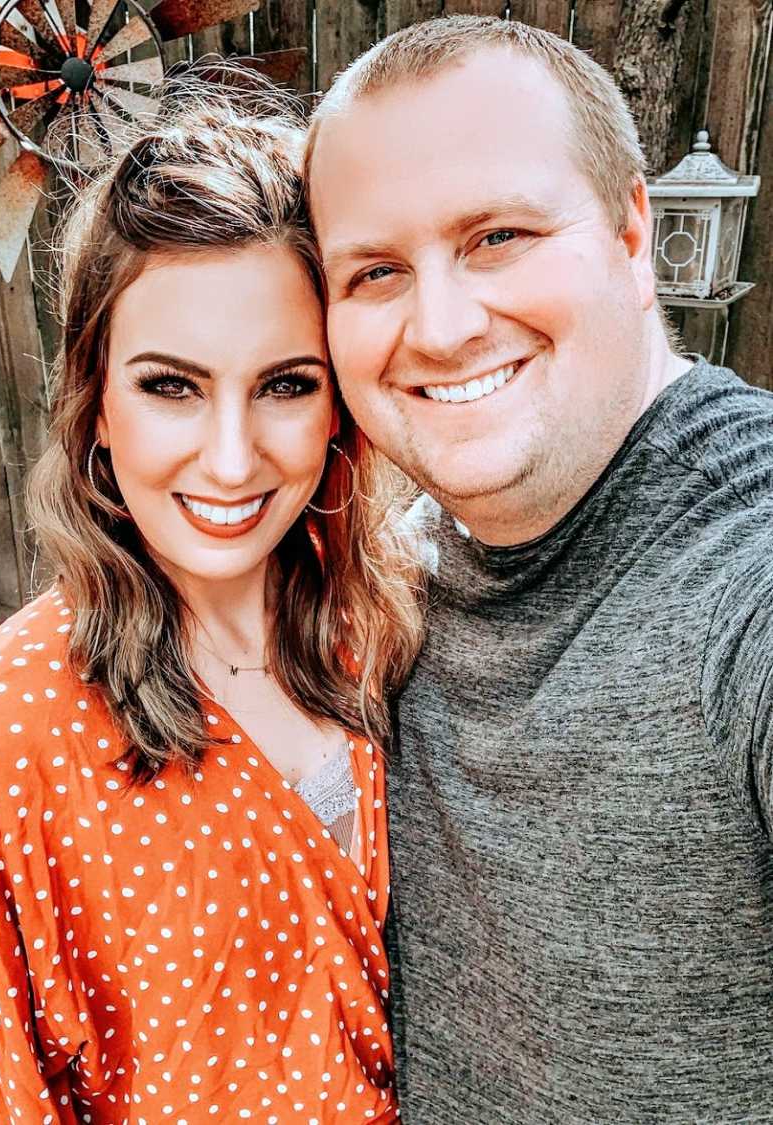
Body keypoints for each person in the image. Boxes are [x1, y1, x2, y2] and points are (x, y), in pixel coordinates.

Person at [0, 73, 422, 1124]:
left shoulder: (396, 631)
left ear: (340, 409)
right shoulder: (5, 731)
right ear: (94, 404)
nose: (231, 460)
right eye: (171, 385)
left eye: (286, 384)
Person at [306, 14, 773, 1124]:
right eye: (374, 271)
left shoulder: (743, 572)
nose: (443, 323)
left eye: (498, 236)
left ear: (630, 233)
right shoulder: (387, 583)